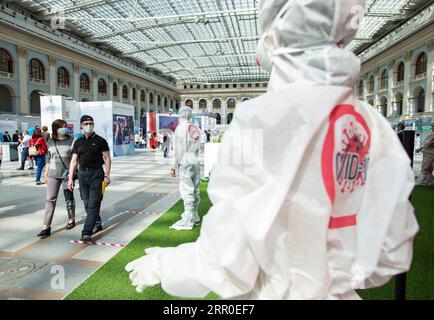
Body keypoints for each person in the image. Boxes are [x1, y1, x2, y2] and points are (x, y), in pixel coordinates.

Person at [125, 0, 418, 300]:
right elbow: (390, 249)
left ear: (277, 35)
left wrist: (164, 265)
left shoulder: (257, 120)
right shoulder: (372, 125)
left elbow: (228, 258)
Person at [68, 115, 111, 242]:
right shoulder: (78, 142)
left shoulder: (100, 141)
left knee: (93, 203)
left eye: (90, 123)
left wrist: (107, 175)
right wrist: (71, 178)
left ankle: (86, 231)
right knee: (86, 202)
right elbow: (74, 161)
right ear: (81, 125)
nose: (88, 125)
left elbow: (107, 159)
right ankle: (97, 222)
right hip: (82, 174)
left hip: (96, 174)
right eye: (86, 123)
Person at [37, 119, 77, 239]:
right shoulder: (50, 141)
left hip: (67, 174)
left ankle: (71, 219)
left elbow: (75, 160)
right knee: (50, 199)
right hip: (53, 174)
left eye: (65, 126)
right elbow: (49, 159)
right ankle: (46, 227)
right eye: (61, 126)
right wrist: (46, 174)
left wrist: (72, 174)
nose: (64, 128)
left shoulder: (72, 140)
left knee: (68, 197)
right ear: (55, 128)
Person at [168, 106, 202, 231]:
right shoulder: (195, 127)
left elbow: (177, 149)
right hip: (195, 160)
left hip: (184, 161)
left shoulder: (180, 128)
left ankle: (188, 218)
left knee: (187, 189)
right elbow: (199, 146)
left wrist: (173, 166)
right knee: (196, 187)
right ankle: (195, 215)